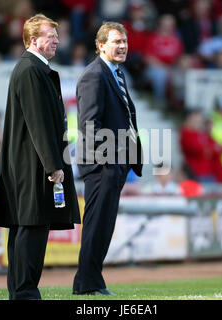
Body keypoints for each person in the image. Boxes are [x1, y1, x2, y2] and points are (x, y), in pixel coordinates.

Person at [0, 14, 81, 300]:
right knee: (32, 226)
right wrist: (53, 164)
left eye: (57, 35)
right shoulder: (30, 70)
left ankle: (20, 292)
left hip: (29, 162)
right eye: (50, 36)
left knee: (24, 227)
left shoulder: (33, 69)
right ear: (32, 40)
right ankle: (25, 293)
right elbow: (38, 121)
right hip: (33, 165)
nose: (56, 40)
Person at [74, 21, 143, 295]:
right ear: (100, 45)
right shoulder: (95, 75)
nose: (122, 46)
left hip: (114, 163)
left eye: (124, 41)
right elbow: (89, 123)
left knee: (104, 226)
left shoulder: (116, 73)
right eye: (116, 41)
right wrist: (111, 158)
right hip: (103, 163)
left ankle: (91, 281)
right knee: (97, 225)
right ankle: (86, 284)